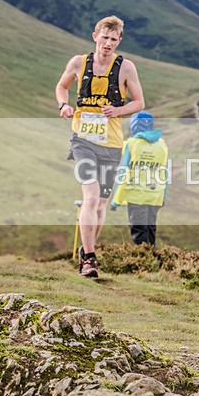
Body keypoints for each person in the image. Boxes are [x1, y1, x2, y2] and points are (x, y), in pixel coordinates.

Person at [55, 15, 145, 277]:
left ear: (119, 41)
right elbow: (62, 87)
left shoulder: (126, 68)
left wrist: (118, 110)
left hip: (112, 143)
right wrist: (64, 105)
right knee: (90, 198)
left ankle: (86, 249)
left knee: (101, 204)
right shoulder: (78, 63)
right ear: (95, 37)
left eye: (113, 40)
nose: (108, 44)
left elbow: (139, 103)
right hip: (82, 140)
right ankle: (90, 259)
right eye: (104, 38)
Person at [110, 111, 169, 246]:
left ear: (133, 126)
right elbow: (165, 173)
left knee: (139, 230)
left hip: (136, 195)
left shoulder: (131, 144)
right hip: (155, 195)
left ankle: (143, 262)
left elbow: (123, 171)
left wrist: (115, 200)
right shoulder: (162, 145)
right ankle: (152, 260)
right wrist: (163, 197)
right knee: (150, 228)